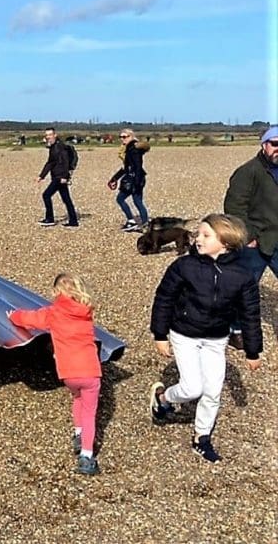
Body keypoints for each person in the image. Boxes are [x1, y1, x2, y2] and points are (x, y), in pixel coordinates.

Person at [148, 214, 263, 463]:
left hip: (216, 339)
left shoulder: (242, 275)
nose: (197, 238)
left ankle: (201, 437)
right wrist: (160, 334)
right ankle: (163, 398)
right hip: (185, 334)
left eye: (205, 235)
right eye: (198, 234)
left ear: (226, 242)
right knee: (192, 387)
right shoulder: (184, 266)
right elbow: (164, 298)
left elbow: (250, 313)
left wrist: (252, 351)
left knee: (212, 391)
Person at [8, 273, 103, 476]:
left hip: (68, 373)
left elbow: (29, 319)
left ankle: (78, 433)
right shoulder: (86, 312)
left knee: (77, 398)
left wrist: (13, 316)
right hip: (90, 371)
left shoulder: (53, 313)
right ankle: (86, 456)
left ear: (56, 292)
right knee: (89, 412)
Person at [223, 125, 278, 348]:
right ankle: (236, 329)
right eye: (274, 144)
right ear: (264, 145)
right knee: (244, 287)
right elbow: (234, 206)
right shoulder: (248, 171)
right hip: (255, 241)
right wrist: (248, 236)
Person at [108, 128, 151, 232]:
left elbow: (137, 166)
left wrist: (136, 182)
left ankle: (131, 221)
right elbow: (125, 167)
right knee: (138, 201)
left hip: (134, 179)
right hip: (136, 178)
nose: (122, 139)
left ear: (131, 136)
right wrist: (114, 178)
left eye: (125, 137)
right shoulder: (129, 149)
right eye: (121, 137)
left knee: (121, 199)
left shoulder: (133, 150)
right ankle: (145, 224)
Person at [36, 127, 78, 227]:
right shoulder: (53, 147)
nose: (48, 137)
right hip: (57, 176)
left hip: (60, 177)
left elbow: (65, 161)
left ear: (55, 135)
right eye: (47, 135)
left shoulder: (60, 147)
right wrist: (41, 176)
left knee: (46, 195)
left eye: (50, 135)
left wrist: (65, 177)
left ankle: (50, 219)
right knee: (66, 199)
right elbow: (50, 163)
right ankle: (73, 221)